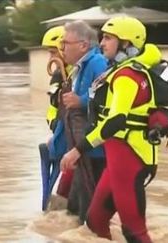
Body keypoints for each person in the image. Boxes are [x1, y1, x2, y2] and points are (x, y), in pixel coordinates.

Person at [60, 16, 164, 242]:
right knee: (95, 221)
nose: (102, 43)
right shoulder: (123, 71)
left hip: (130, 159)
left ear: (126, 43)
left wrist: (78, 149)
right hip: (118, 160)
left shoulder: (127, 76)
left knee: (134, 232)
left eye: (108, 38)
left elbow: (115, 121)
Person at [59, 20, 108, 224]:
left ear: (83, 45)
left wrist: (81, 101)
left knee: (88, 205)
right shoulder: (79, 67)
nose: (61, 49)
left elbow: (105, 96)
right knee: (76, 205)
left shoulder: (96, 63)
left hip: (93, 149)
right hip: (82, 147)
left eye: (65, 43)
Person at [39, 26, 73, 210]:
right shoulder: (60, 75)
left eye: (53, 52)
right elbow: (53, 107)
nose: (50, 57)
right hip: (65, 136)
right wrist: (55, 126)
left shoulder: (80, 72)